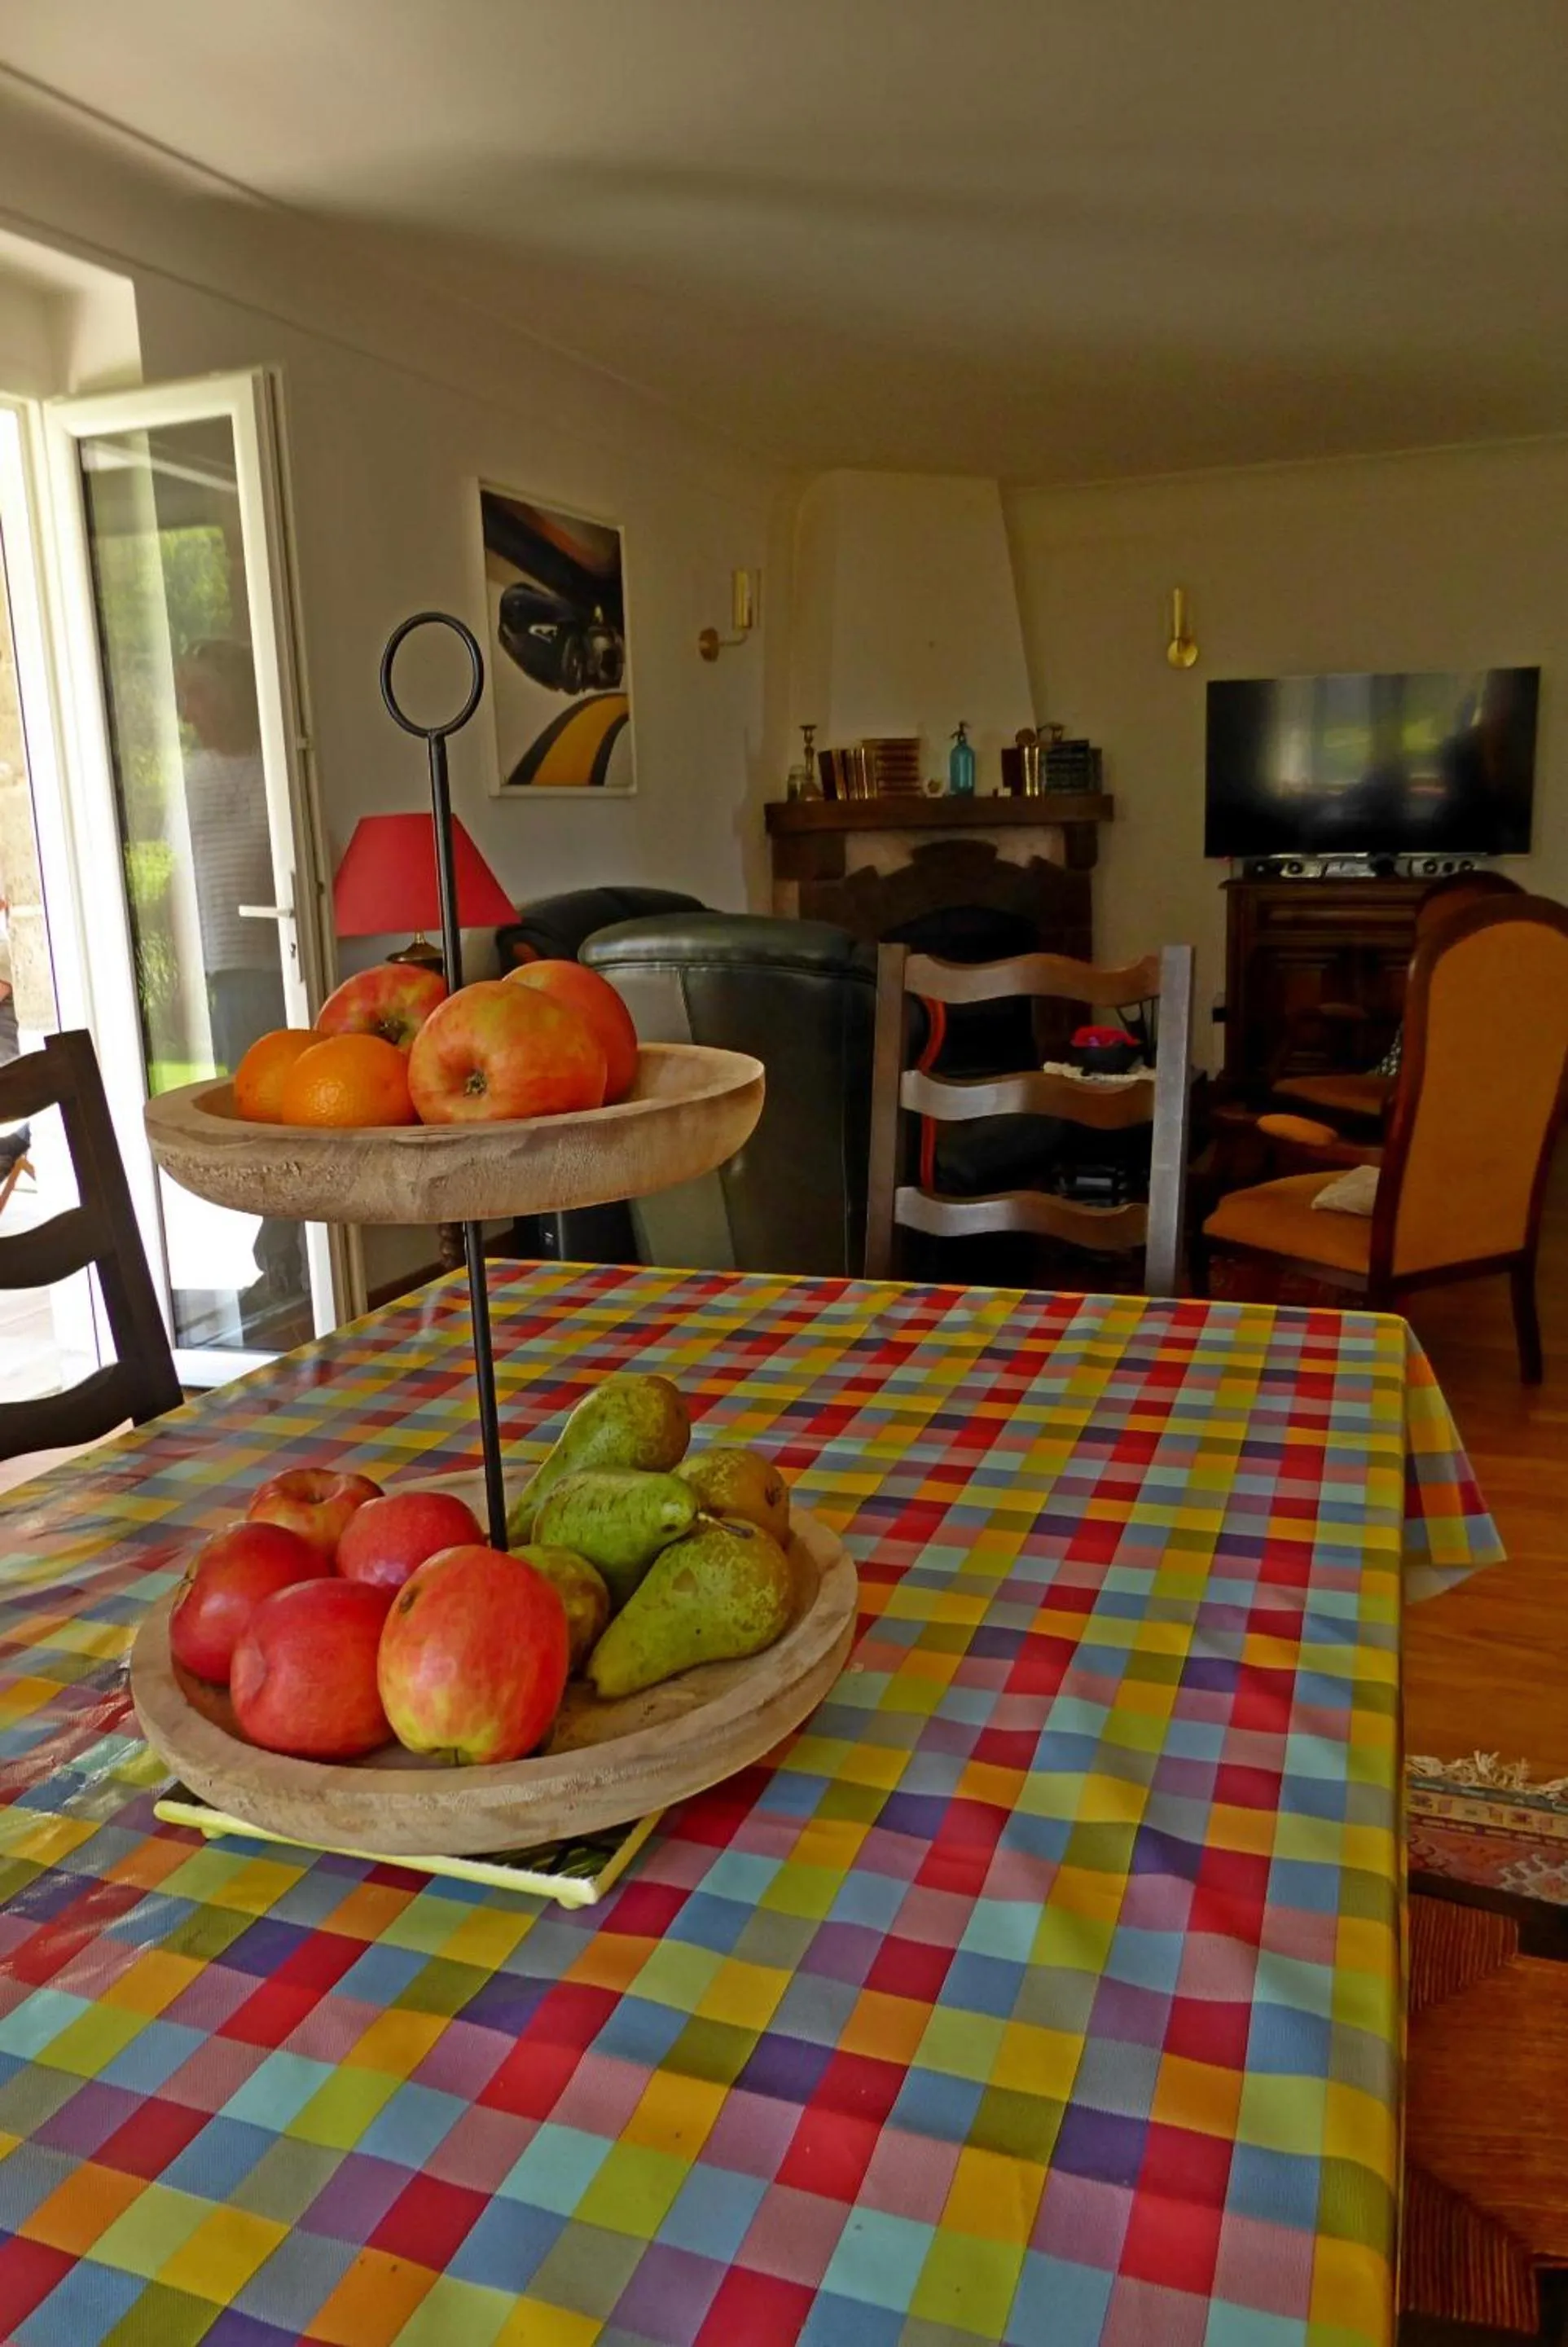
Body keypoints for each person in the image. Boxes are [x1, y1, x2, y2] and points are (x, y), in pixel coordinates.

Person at [174, 639, 303, 1325]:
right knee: (258, 1125)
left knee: (288, 1121)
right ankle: (280, 1260)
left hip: (283, 962)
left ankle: (287, 1258)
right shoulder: (191, 778)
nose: (186, 709)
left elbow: (314, 851)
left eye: (198, 692)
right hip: (228, 973)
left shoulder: (277, 770)